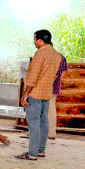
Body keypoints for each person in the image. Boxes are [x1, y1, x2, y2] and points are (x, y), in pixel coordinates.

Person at [17, 29, 61, 161]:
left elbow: (33, 77)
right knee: (43, 121)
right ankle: (41, 150)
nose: (34, 42)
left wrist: (25, 94)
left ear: (40, 41)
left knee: (34, 123)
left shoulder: (40, 55)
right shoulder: (56, 55)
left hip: (35, 93)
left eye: (35, 39)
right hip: (46, 92)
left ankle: (32, 153)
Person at [48, 53, 68, 139]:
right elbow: (63, 73)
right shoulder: (61, 57)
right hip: (55, 87)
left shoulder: (45, 55)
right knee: (51, 110)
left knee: (42, 110)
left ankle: (42, 133)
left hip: (44, 88)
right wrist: (57, 81)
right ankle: (51, 133)